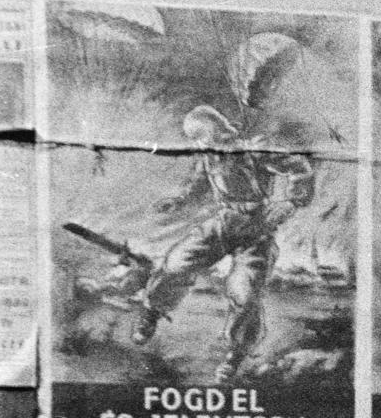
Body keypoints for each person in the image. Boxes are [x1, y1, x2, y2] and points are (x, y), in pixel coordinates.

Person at [132, 106, 315, 383]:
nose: (198, 144)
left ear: (216, 131)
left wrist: (291, 202)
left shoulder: (252, 149)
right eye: (195, 140)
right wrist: (180, 200)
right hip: (224, 221)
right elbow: (198, 183)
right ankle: (152, 312)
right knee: (176, 262)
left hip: (256, 226)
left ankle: (236, 354)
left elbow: (300, 167)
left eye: (201, 137)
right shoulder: (209, 155)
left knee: (245, 293)